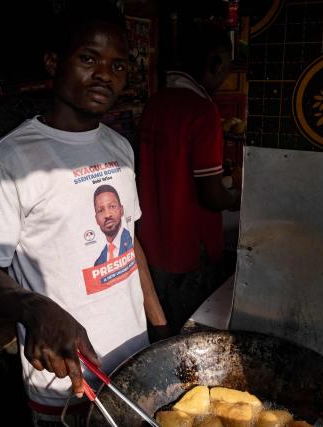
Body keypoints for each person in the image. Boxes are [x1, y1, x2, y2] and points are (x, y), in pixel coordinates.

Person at [0, 3, 168, 425]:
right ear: (53, 62)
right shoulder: (9, 162)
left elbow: (132, 246)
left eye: (118, 65)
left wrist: (161, 331)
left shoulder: (119, 148)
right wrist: (35, 309)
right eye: (88, 59)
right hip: (67, 379)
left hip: (135, 363)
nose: (104, 75)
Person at [137, 23, 240, 335]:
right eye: (226, 67)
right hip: (188, 251)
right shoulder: (202, 111)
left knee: (159, 330)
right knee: (189, 337)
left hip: (150, 245)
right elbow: (210, 195)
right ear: (216, 61)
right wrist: (241, 198)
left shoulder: (156, 102)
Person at [93, 185, 133, 266]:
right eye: (100, 210)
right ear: (96, 219)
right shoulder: (98, 263)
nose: (107, 215)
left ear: (121, 210)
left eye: (112, 206)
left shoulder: (132, 242)